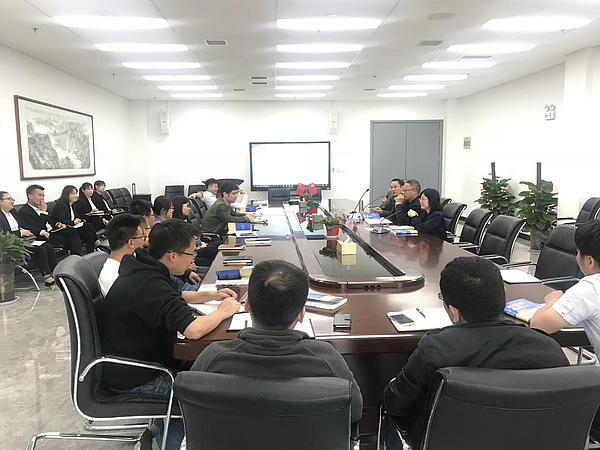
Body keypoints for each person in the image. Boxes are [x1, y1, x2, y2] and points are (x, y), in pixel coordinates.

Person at [382, 257, 569, 449]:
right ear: (502, 296)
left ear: (454, 312)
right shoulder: (549, 349)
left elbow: (395, 404)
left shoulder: (435, 350)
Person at [99, 219, 240, 450]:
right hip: (138, 376)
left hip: (138, 362)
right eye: (191, 254)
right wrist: (223, 312)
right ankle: (162, 444)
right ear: (173, 256)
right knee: (210, 397)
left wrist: (213, 296)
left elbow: (176, 295)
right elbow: (193, 330)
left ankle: (158, 431)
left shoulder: (145, 268)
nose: (193, 260)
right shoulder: (150, 283)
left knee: (214, 367)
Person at [192, 259, 364, 425]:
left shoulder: (213, 357)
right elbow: (354, 411)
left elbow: (189, 406)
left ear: (247, 305)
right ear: (301, 313)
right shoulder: (326, 359)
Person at [531, 219, 600, 356]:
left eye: (577, 253)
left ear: (589, 261)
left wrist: (552, 302)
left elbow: (537, 325)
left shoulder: (589, 289)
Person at [0, 191, 57, 286]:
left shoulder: (13, 212)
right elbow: (3, 234)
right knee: (40, 250)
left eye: (12, 199)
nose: (12, 201)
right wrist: (21, 233)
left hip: (23, 240)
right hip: (11, 245)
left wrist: (40, 231)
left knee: (48, 246)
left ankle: (55, 272)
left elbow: (24, 224)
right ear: (0, 201)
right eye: (9, 199)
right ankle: (47, 277)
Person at [19, 184, 83, 256]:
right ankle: (75, 256)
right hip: (44, 235)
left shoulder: (41, 206)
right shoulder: (25, 211)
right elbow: (39, 227)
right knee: (69, 238)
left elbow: (50, 220)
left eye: (43, 196)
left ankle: (76, 257)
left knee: (71, 230)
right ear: (30, 196)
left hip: (52, 230)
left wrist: (57, 224)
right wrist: (43, 212)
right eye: (39, 195)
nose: (42, 198)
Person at [172, 196, 219, 268]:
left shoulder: (185, 219)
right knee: (212, 251)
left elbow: (195, 234)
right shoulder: (176, 224)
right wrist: (197, 245)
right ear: (179, 207)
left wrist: (200, 243)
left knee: (216, 246)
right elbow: (184, 242)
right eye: (187, 206)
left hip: (195, 247)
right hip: (189, 253)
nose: (189, 209)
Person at [52, 185, 99, 254]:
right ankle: (97, 241)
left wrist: (78, 219)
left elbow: (77, 215)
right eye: (73, 194)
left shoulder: (72, 204)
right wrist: (73, 222)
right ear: (67, 195)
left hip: (73, 227)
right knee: (88, 225)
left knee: (89, 234)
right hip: (64, 229)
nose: (76, 196)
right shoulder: (61, 205)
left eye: (76, 193)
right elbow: (61, 219)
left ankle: (91, 253)